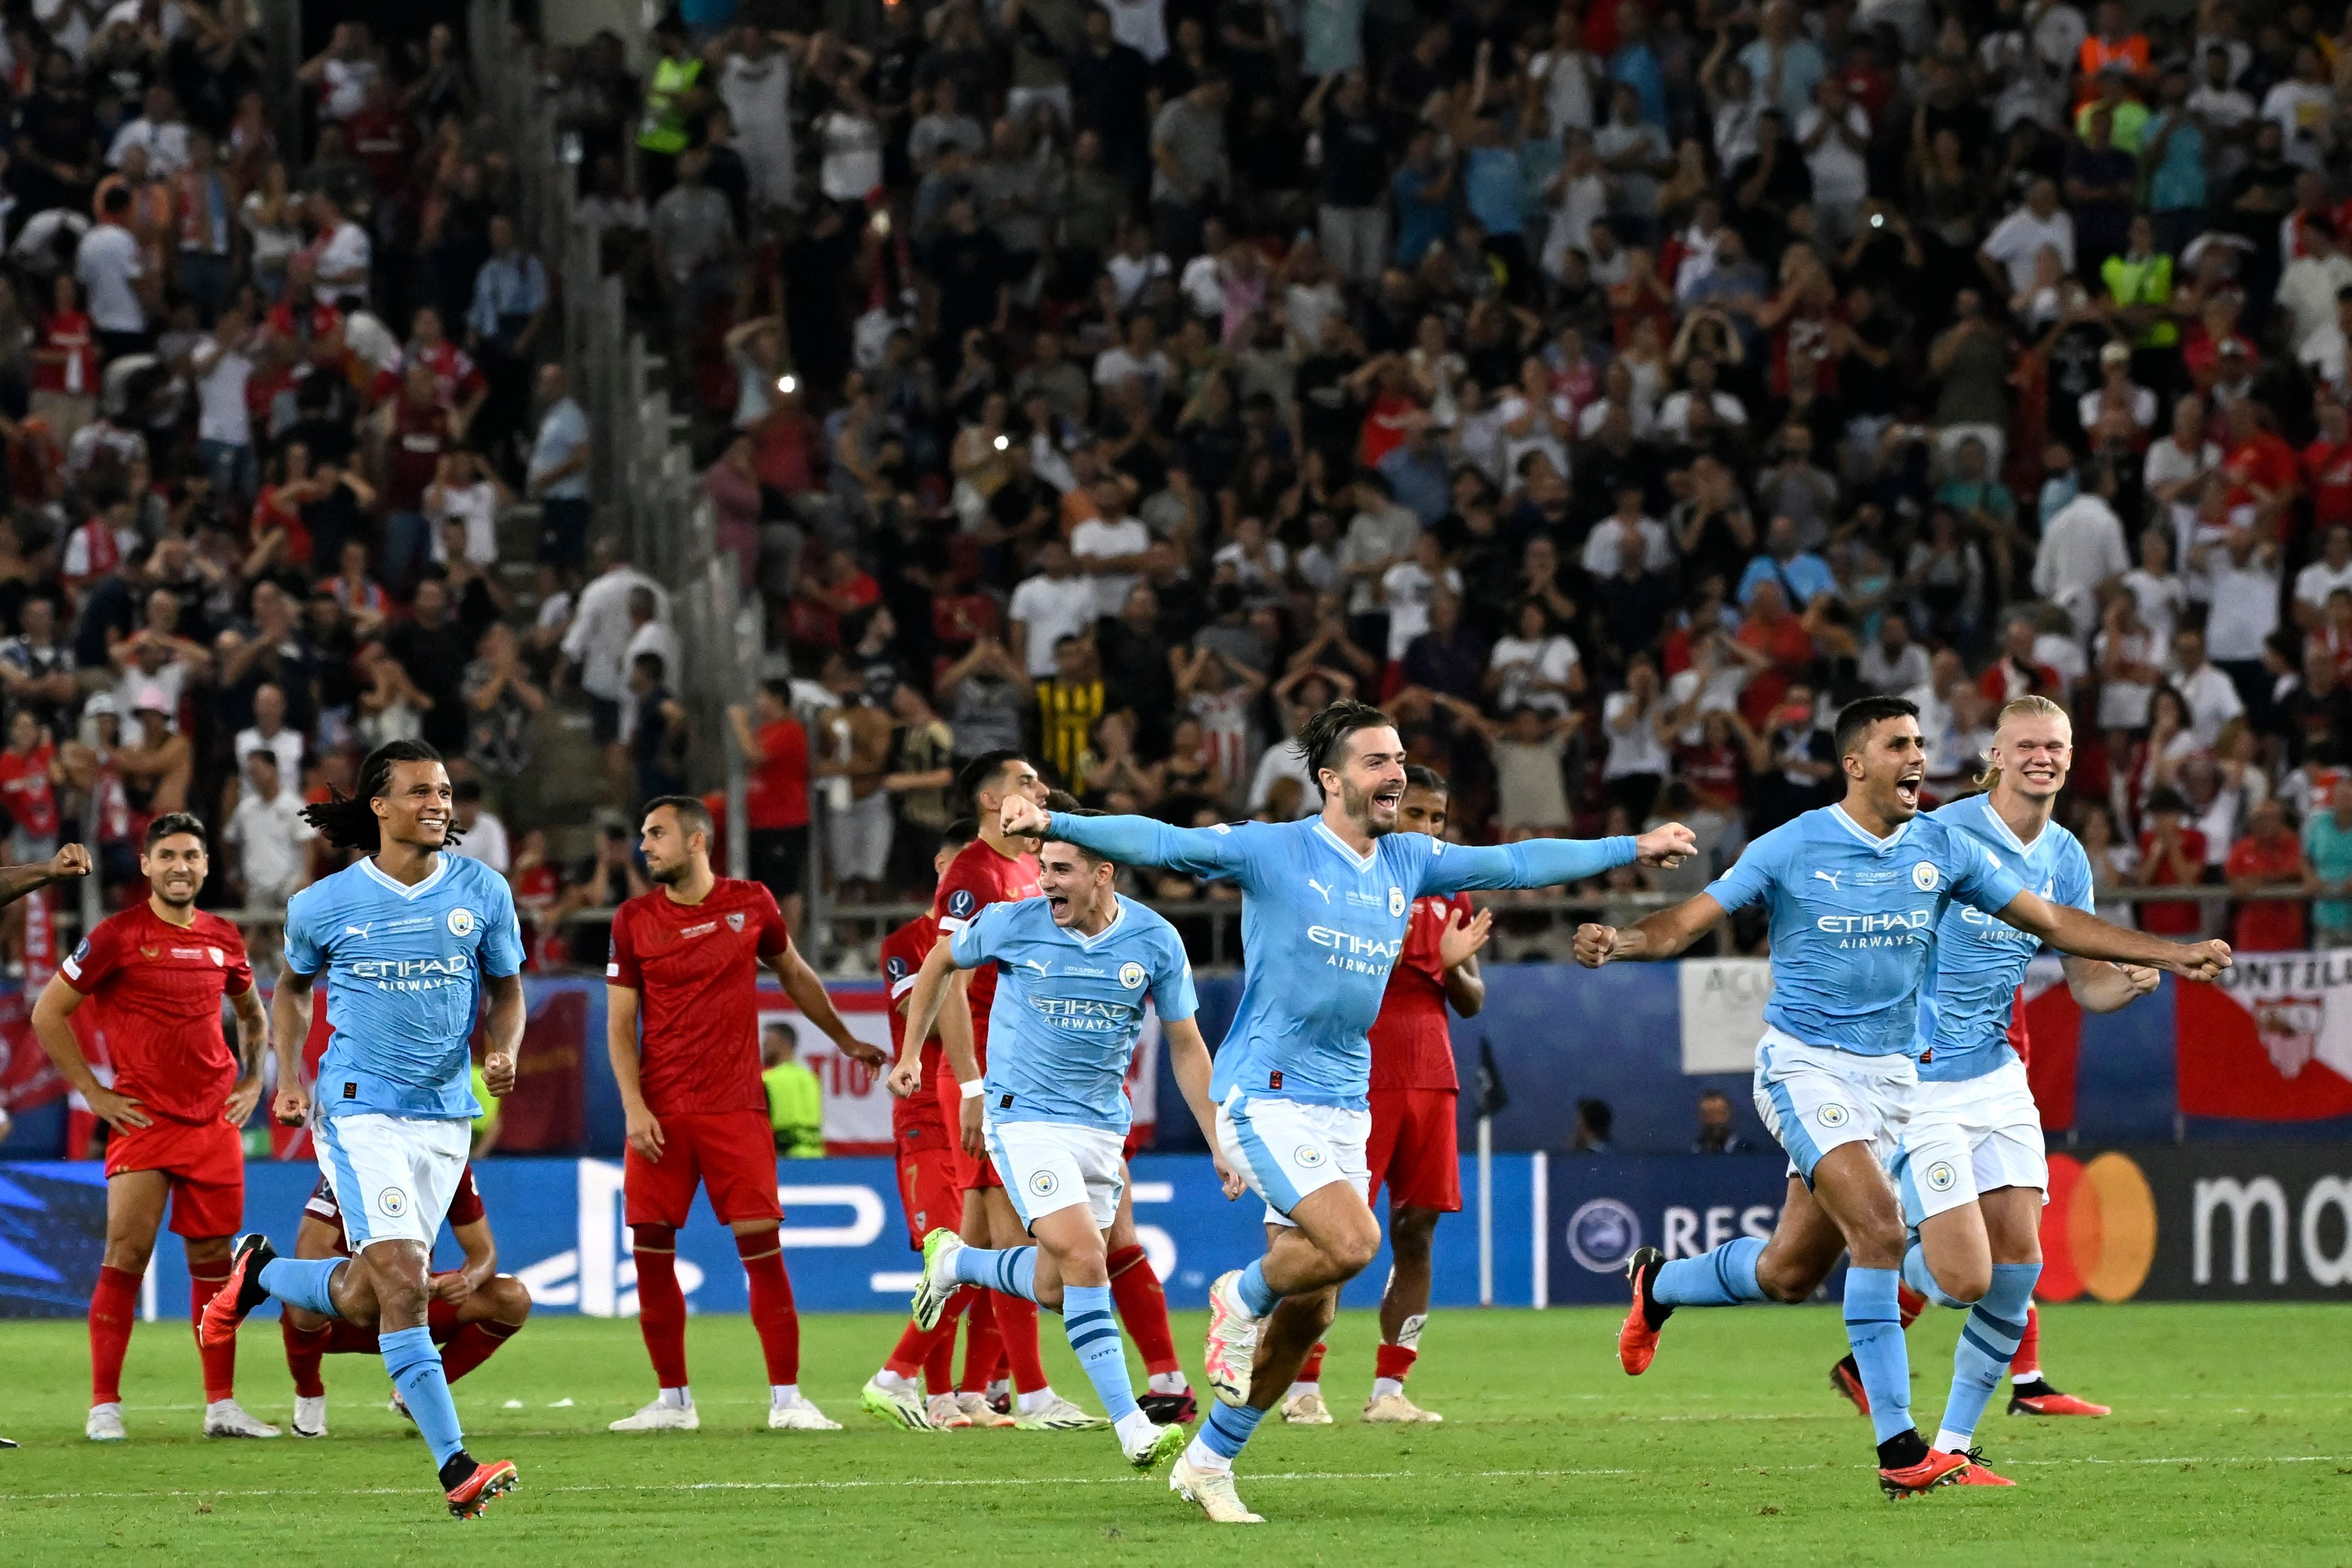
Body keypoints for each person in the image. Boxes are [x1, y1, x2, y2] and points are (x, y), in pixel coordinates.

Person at [999, 699, 1695, 1521]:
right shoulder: (1275, 849)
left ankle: (1210, 1458)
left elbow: (1514, 861)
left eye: (1397, 757)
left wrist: (1632, 846)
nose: (1394, 771)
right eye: (1375, 760)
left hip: (1341, 1100)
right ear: (1330, 780)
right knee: (1355, 1241)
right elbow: (1162, 841)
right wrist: (1048, 818)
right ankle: (1238, 1295)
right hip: (1266, 1091)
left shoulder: (1406, 859)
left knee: (1318, 1304)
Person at [1575, 695, 2228, 1497]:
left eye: (1920, 742)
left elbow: (2051, 921)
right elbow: (1685, 921)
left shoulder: (1939, 848)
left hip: (1891, 1078)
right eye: (1898, 745)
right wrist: (1624, 938)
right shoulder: (1792, 843)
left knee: (1787, 1270)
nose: (1917, 756)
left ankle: (1658, 1283)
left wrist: (2167, 954)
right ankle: (1903, 1454)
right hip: (1804, 1066)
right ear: (1856, 764)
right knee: (1881, 1235)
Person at [1814, 698, 2147, 1478]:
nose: (2043, 756)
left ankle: (1952, 1447)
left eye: (2056, 745)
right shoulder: (1938, 832)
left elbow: (2084, 983)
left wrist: (2126, 983)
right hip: (1919, 1084)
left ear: (2069, 758)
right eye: (2026, 743)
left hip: (1996, 1077)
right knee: (1964, 1277)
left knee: (2020, 1262)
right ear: (1993, 755)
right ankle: (1885, 1276)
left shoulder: (2065, 856)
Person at [199, 739, 525, 1518]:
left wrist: (504, 1047)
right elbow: (289, 992)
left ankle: (260, 1273)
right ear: (380, 805)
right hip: (358, 1107)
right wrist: (292, 1075)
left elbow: (508, 990)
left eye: (444, 790)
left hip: (446, 1115)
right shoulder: (323, 903)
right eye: (420, 791)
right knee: (405, 1284)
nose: (439, 802)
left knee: (362, 1295)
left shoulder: (483, 890)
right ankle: (457, 1468)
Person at [898, 804, 1224, 1471]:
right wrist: (911, 1053)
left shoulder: (1156, 940)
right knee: (1083, 1257)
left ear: (1103, 874)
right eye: (1042, 868)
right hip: (1024, 1118)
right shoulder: (1013, 924)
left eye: (1063, 870)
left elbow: (1188, 1047)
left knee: (1055, 1286)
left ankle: (957, 1263)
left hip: (1102, 1128)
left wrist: (1218, 1139)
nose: (1046, 883)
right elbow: (937, 962)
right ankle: (1131, 1425)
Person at [602, 795, 883, 1432]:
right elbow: (620, 1026)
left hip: (735, 1106)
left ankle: (789, 1400)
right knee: (650, 1253)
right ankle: (673, 1401)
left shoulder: (751, 903)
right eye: (643, 835)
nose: (645, 846)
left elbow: (797, 975)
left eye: (657, 834)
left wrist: (845, 1040)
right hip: (662, 1114)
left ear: (697, 841)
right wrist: (634, 1107)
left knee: (762, 1248)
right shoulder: (632, 919)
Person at [892, 750, 1101, 1429]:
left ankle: (913, 1378)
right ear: (991, 800)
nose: (1040, 789)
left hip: (1013, 1073)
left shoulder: (1025, 870)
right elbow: (946, 976)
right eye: (1025, 782)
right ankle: (1033, 1394)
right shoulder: (974, 874)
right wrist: (972, 1083)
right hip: (983, 1079)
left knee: (980, 1240)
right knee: (1014, 1236)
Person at [1281, 764, 1490, 1425]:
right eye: (1416, 815)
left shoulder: (1451, 893)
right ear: (1388, 812)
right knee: (1339, 1237)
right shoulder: (1354, 883)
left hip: (1432, 1074)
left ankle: (1389, 1390)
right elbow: (1322, 977)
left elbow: (1473, 1001)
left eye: (1438, 820)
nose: (1428, 830)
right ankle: (1300, 1385)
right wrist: (1403, 951)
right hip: (1359, 1076)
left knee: (1417, 1231)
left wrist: (1454, 965)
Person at [34, 827, 257, 1441]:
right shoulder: (115, 936)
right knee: (125, 1255)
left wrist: (256, 1079)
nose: (179, 866)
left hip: (213, 1122)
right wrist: (94, 1094)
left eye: (190, 856)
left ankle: (222, 1407)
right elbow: (47, 1012)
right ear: (146, 865)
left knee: (213, 1262)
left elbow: (254, 1013)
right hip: (143, 1121)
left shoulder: (223, 937)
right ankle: (104, 1407)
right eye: (167, 857)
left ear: (207, 866)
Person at [861, 819, 985, 1430]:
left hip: (987, 1109)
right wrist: (971, 982)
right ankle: (932, 1393)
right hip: (929, 1121)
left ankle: (974, 1393)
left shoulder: (1008, 931)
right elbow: (923, 1012)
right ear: (942, 868)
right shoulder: (908, 942)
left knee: (995, 1255)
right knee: (951, 1257)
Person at [279, 1163, 533, 1439]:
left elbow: (484, 1253)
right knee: (302, 1297)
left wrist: (466, 1281)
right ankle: (309, 1395)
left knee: (511, 1297)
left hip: (410, 1311)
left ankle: (418, 1392)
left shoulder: (451, 1166)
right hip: (346, 1309)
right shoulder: (351, 1161)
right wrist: (382, 1282)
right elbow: (310, 1254)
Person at [761, 1023, 824, 1158]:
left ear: (782, 1044)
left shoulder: (768, 1079)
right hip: (816, 1156)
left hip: (786, 1158)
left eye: (767, 1044)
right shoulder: (810, 1077)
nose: (763, 1049)